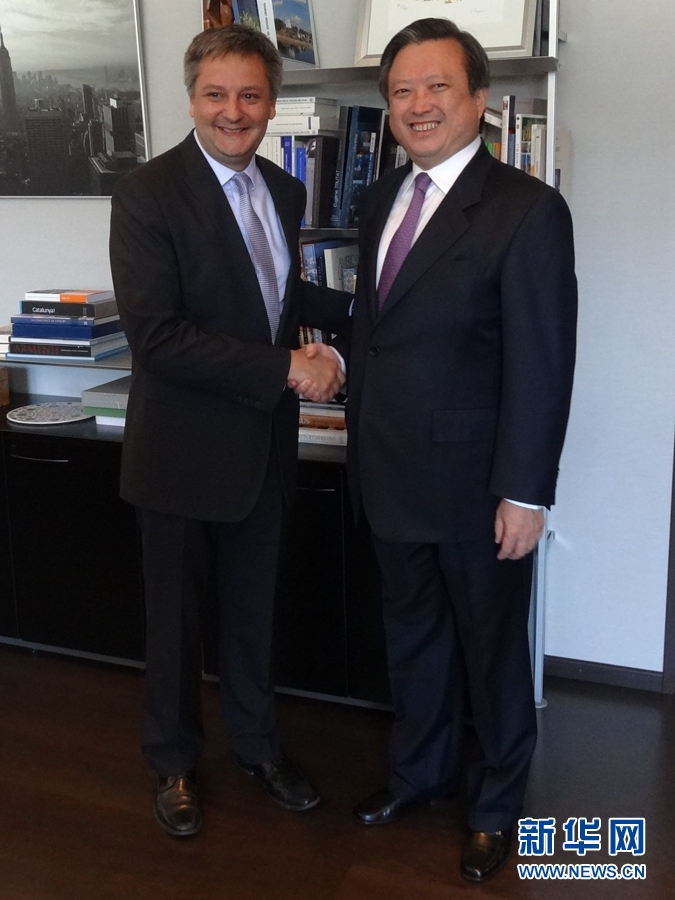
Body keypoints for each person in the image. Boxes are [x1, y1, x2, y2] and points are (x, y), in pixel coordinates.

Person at [345, 18, 577, 882]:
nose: (418, 104)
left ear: (479, 98)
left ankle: (495, 805)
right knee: (413, 639)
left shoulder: (526, 210)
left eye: (436, 86)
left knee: (491, 649)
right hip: (388, 473)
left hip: (478, 487)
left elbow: (542, 362)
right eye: (401, 90)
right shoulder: (379, 200)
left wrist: (525, 490)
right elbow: (382, 327)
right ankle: (421, 775)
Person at [109, 24, 350, 838]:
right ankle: (173, 763)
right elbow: (158, 337)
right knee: (174, 630)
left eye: (250, 95)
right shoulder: (146, 193)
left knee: (254, 619)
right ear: (192, 100)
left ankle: (258, 747)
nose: (233, 111)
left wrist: (374, 306)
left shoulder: (282, 190)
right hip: (178, 456)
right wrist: (287, 367)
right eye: (216, 94)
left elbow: (273, 297)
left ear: (271, 103)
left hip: (261, 454)